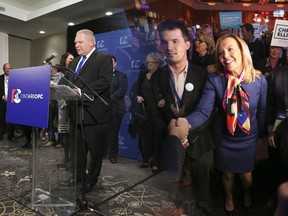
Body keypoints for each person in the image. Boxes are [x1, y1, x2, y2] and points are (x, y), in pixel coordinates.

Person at [173, 34, 267, 215]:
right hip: (224, 138)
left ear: (242, 51)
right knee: (227, 175)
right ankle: (229, 196)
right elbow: (203, 111)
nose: (226, 56)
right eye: (221, 52)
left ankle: (247, 193)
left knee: (247, 176)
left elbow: (262, 112)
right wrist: (186, 122)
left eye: (230, 49)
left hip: (248, 138)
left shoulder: (259, 80)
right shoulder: (215, 80)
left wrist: (261, 136)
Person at [156, 19, 215, 215]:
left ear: (187, 44)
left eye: (175, 41)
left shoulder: (202, 74)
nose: (169, 47)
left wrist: (188, 135)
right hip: (170, 138)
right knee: (170, 191)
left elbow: (208, 110)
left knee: (202, 188)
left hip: (198, 137)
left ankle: (205, 209)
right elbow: (154, 113)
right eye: (165, 42)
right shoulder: (158, 76)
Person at [60, 29, 113, 193]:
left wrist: (81, 92)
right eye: (75, 42)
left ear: (91, 42)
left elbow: (104, 81)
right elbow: (67, 81)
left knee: (95, 153)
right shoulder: (75, 62)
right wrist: (58, 88)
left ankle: (92, 180)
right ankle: (78, 176)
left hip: (94, 115)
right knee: (78, 151)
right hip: (76, 115)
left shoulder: (104, 59)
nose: (76, 45)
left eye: (80, 42)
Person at [132, 52, 166, 171]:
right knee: (146, 138)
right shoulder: (143, 75)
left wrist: (164, 100)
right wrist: (138, 96)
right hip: (145, 111)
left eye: (152, 62)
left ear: (158, 63)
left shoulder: (162, 74)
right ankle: (146, 160)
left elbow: (168, 91)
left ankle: (156, 162)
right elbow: (137, 90)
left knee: (157, 138)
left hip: (158, 111)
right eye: (147, 62)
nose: (149, 64)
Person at [264, 64, 288, 209]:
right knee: (276, 166)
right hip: (278, 131)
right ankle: (273, 195)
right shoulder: (277, 74)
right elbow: (269, 104)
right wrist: (270, 129)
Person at [107, 56, 128, 164]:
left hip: (116, 109)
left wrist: (108, 99)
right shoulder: (103, 75)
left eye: (111, 62)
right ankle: (103, 153)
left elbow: (121, 91)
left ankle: (113, 155)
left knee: (114, 133)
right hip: (103, 109)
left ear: (116, 63)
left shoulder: (121, 76)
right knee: (103, 133)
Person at [0, 63, 16, 142]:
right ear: (4, 69)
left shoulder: (15, 78)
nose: (8, 70)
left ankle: (11, 136)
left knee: (11, 120)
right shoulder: (0, 78)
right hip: (2, 102)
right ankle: (0, 136)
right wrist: (3, 97)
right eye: (6, 68)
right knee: (1, 119)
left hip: (12, 102)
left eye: (9, 68)